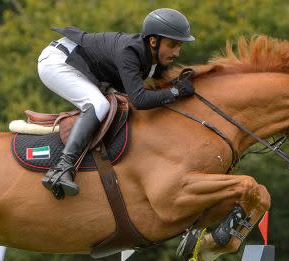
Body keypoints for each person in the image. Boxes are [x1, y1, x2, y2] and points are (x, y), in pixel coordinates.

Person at [37, 8, 196, 198]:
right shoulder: (129, 52)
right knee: (98, 104)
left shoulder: (154, 57)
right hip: (59, 61)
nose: (177, 52)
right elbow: (140, 100)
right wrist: (177, 91)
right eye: (172, 45)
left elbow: (163, 85)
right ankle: (62, 167)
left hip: (75, 61)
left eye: (180, 46)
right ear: (153, 41)